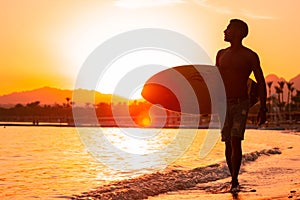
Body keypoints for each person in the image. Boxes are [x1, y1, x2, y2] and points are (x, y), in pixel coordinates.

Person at [216, 19, 267, 193]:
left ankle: (235, 181)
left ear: (238, 32)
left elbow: (260, 81)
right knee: (227, 143)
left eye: (228, 29)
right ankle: (233, 179)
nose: (224, 31)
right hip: (224, 104)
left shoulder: (249, 56)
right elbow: (216, 81)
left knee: (236, 139)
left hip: (241, 103)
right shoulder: (221, 54)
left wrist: (263, 108)